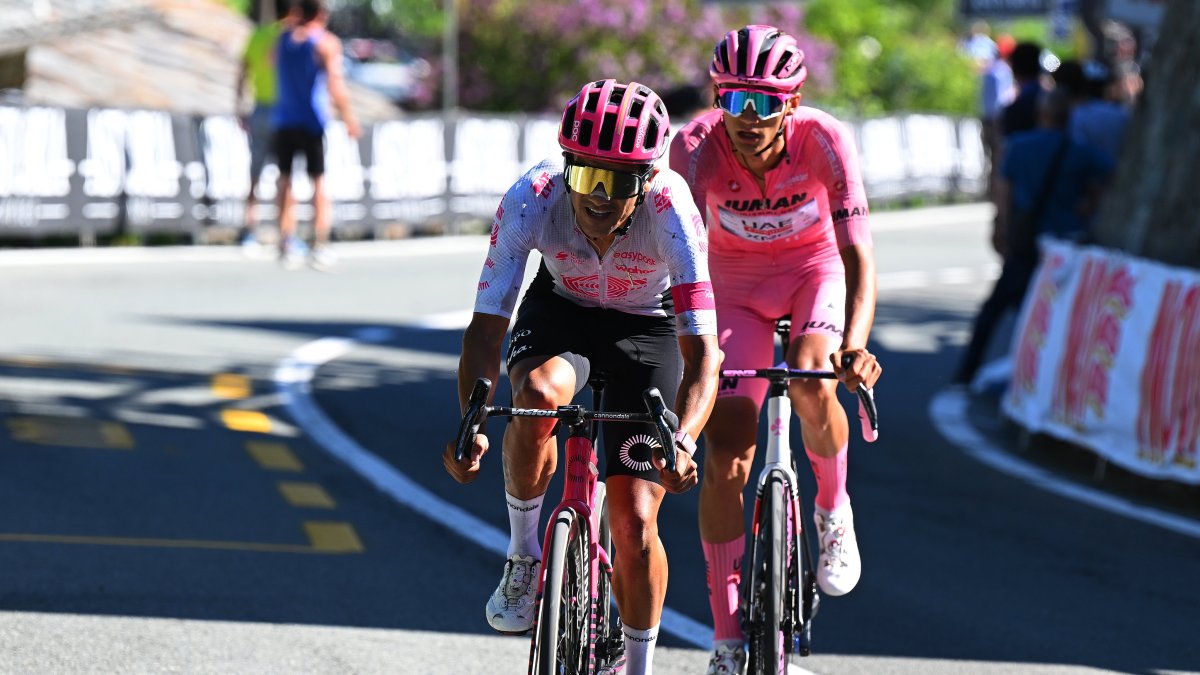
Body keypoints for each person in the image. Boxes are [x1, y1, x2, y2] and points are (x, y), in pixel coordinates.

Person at [443, 79, 722, 675]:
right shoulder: (533, 195)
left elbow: (703, 355)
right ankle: (523, 554)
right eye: (586, 176)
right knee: (538, 396)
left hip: (647, 328)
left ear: (646, 181)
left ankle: (641, 665)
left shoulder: (675, 213)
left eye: (616, 181)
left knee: (634, 518)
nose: (597, 197)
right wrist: (470, 422)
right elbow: (486, 328)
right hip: (561, 310)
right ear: (566, 165)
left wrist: (685, 439)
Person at [669, 25, 883, 674]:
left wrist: (856, 344)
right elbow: (678, 261)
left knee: (816, 382)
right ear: (716, 99)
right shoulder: (695, 148)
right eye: (733, 101)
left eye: (764, 103)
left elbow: (858, 260)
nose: (748, 118)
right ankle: (728, 637)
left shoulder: (826, 141)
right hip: (732, 288)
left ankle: (832, 507)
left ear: (791, 104)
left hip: (812, 274)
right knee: (727, 446)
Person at [952, 88, 1114, 387]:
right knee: (1056, 316)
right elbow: (1109, 178)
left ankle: (967, 371)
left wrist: (1000, 227)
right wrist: (1089, 204)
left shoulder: (1019, 146)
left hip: (1026, 244)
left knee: (995, 311)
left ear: (1041, 115)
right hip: (1066, 245)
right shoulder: (1081, 152)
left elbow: (1003, 191)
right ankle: (1044, 379)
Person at [271, 0, 361, 269]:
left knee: (285, 179)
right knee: (318, 182)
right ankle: (319, 243)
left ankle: (286, 240)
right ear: (321, 14)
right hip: (312, 121)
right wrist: (349, 118)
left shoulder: (283, 39)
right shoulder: (324, 42)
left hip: (284, 118)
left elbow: (269, 63)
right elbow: (335, 82)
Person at [234, 0, 291, 248]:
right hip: (284, 111)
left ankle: (250, 228)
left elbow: (242, 72)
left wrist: (239, 106)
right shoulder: (289, 39)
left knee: (255, 172)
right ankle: (285, 234)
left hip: (259, 109)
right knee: (285, 175)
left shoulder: (257, 36)